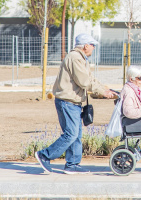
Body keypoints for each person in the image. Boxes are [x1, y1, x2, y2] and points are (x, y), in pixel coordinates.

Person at [35, 33, 116, 174]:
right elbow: (84, 81)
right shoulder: (75, 58)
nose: (93, 48)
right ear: (85, 46)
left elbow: (91, 79)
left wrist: (105, 89)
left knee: (76, 135)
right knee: (71, 134)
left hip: (73, 103)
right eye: (92, 45)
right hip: (68, 102)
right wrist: (102, 92)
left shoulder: (80, 58)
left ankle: (72, 164)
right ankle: (44, 155)